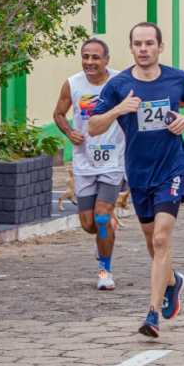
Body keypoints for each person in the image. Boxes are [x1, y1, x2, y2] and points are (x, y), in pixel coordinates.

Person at [89, 22, 184, 337]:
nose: (143, 49)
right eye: (138, 44)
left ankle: (152, 314)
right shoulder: (119, 85)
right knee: (150, 238)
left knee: (160, 239)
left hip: (171, 168)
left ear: (159, 47)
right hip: (138, 172)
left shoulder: (176, 78)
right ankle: (171, 281)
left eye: (149, 43)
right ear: (131, 48)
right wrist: (118, 110)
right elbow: (93, 127)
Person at [52, 38, 126, 291]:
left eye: (95, 57)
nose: (90, 62)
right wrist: (70, 132)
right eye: (86, 57)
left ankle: (105, 270)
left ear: (106, 59)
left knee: (102, 218)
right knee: (88, 224)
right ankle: (105, 239)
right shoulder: (73, 84)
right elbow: (59, 114)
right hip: (85, 161)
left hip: (114, 160)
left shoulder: (120, 81)